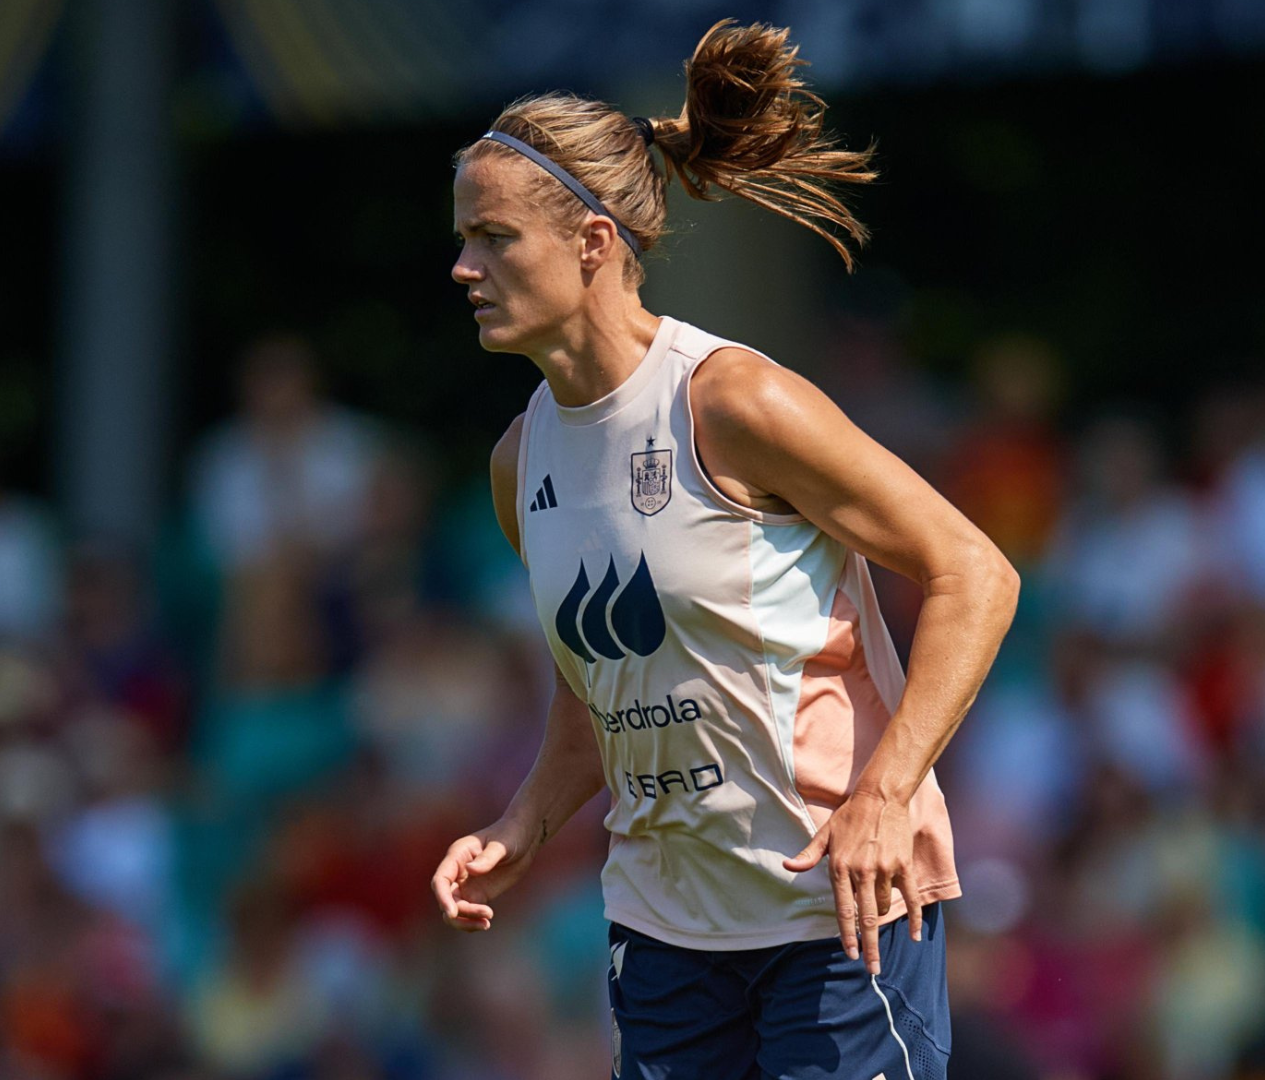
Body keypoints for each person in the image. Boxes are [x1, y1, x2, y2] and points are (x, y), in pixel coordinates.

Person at [427, 20, 1019, 1080]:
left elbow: (975, 570)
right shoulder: (522, 463)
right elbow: (595, 685)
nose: (464, 266)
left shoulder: (734, 402)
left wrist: (886, 795)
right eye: (464, 238)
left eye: (495, 238)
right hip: (663, 930)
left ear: (593, 244)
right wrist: (523, 824)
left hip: (835, 913)